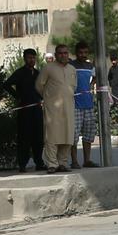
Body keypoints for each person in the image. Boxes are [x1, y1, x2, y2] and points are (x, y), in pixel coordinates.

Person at [37, 43, 77, 174]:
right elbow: (39, 85)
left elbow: (74, 87)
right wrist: (49, 97)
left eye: (65, 53)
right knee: (52, 136)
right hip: (52, 108)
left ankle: (63, 163)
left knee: (67, 135)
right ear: (55, 55)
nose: (63, 55)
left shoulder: (72, 69)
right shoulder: (48, 68)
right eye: (60, 53)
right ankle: (52, 164)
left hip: (69, 107)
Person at [4, 48, 44, 171]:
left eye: (33, 58)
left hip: (36, 108)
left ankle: (39, 162)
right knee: (24, 136)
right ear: (25, 58)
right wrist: (18, 97)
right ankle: (22, 164)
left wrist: (41, 99)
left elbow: (43, 87)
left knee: (38, 136)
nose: (31, 60)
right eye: (29, 57)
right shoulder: (20, 73)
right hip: (24, 109)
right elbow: (6, 84)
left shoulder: (38, 73)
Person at [72, 49, 98, 168]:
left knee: (88, 134)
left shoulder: (90, 66)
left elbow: (95, 77)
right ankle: (74, 161)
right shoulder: (71, 65)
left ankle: (87, 160)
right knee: (74, 135)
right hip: (75, 105)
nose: (83, 54)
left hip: (88, 105)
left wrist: (91, 85)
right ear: (76, 53)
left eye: (85, 52)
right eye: (80, 52)